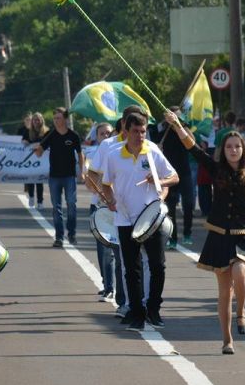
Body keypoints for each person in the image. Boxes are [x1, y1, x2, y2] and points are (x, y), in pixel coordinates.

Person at [168, 113, 245, 353]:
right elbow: (194, 149)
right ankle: (227, 340)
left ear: (243, 150)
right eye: (229, 147)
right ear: (223, 150)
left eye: (237, 146)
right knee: (224, 292)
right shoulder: (216, 170)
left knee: (239, 270)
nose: (233, 150)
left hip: (243, 234)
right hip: (218, 234)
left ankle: (242, 312)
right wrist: (177, 125)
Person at [98, 110, 179, 331]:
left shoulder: (152, 151)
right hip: (125, 219)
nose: (140, 136)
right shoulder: (114, 155)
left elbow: (174, 177)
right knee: (132, 269)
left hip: (151, 219)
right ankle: (136, 314)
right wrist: (110, 200)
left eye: (143, 131)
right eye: (136, 131)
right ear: (126, 131)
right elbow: (105, 184)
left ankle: (153, 308)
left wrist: (160, 183)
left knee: (158, 266)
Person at [30, 108, 83, 247]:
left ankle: (72, 234)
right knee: (56, 207)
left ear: (65, 119)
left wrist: (81, 171)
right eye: (54, 118)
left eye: (58, 118)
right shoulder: (51, 135)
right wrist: (37, 149)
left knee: (71, 204)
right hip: (54, 177)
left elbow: (80, 154)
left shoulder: (73, 135)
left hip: (69, 176)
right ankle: (59, 237)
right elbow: (40, 152)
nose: (56, 121)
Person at [83, 122, 119, 302]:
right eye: (102, 133)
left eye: (108, 133)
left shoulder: (118, 152)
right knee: (103, 249)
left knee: (115, 250)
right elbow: (89, 181)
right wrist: (98, 187)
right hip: (98, 205)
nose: (105, 136)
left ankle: (114, 288)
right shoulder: (91, 154)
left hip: (117, 207)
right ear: (96, 137)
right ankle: (107, 284)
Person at [161, 106, 196, 248]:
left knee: (189, 204)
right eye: (173, 117)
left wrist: (180, 125)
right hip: (169, 174)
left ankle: (187, 233)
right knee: (170, 207)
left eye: (178, 116)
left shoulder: (184, 130)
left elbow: (192, 142)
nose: (175, 119)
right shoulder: (162, 132)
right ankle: (172, 238)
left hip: (185, 172)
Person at [20, 112, 47, 208]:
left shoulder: (46, 131)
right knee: (30, 179)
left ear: (41, 121)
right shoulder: (28, 131)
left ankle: (40, 201)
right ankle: (31, 196)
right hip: (30, 159)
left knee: (39, 181)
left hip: (41, 159)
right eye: (35, 120)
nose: (36, 121)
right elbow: (23, 141)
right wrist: (25, 142)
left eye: (38, 120)